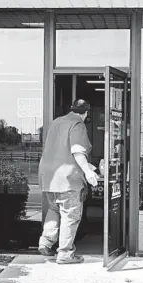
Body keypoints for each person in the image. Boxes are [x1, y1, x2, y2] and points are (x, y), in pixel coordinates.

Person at [38, 99, 99, 264]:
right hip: (67, 178)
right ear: (85, 113)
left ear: (71, 109)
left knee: (54, 208)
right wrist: (87, 172)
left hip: (48, 176)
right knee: (70, 215)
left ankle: (46, 241)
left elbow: (59, 149)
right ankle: (65, 253)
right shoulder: (78, 125)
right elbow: (77, 150)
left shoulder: (56, 122)